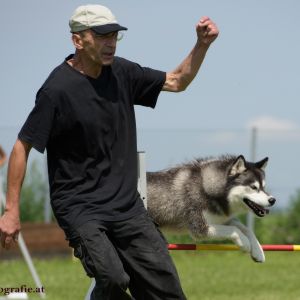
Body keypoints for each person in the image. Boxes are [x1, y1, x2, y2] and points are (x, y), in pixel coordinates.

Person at [0, 4, 218, 300]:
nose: (110, 42)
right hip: (80, 208)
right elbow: (21, 147)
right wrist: (12, 211)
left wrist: (201, 45)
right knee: (113, 278)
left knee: (168, 291)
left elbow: (177, 81)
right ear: (78, 40)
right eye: (102, 36)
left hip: (127, 207)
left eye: (114, 35)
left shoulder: (123, 72)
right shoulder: (57, 90)